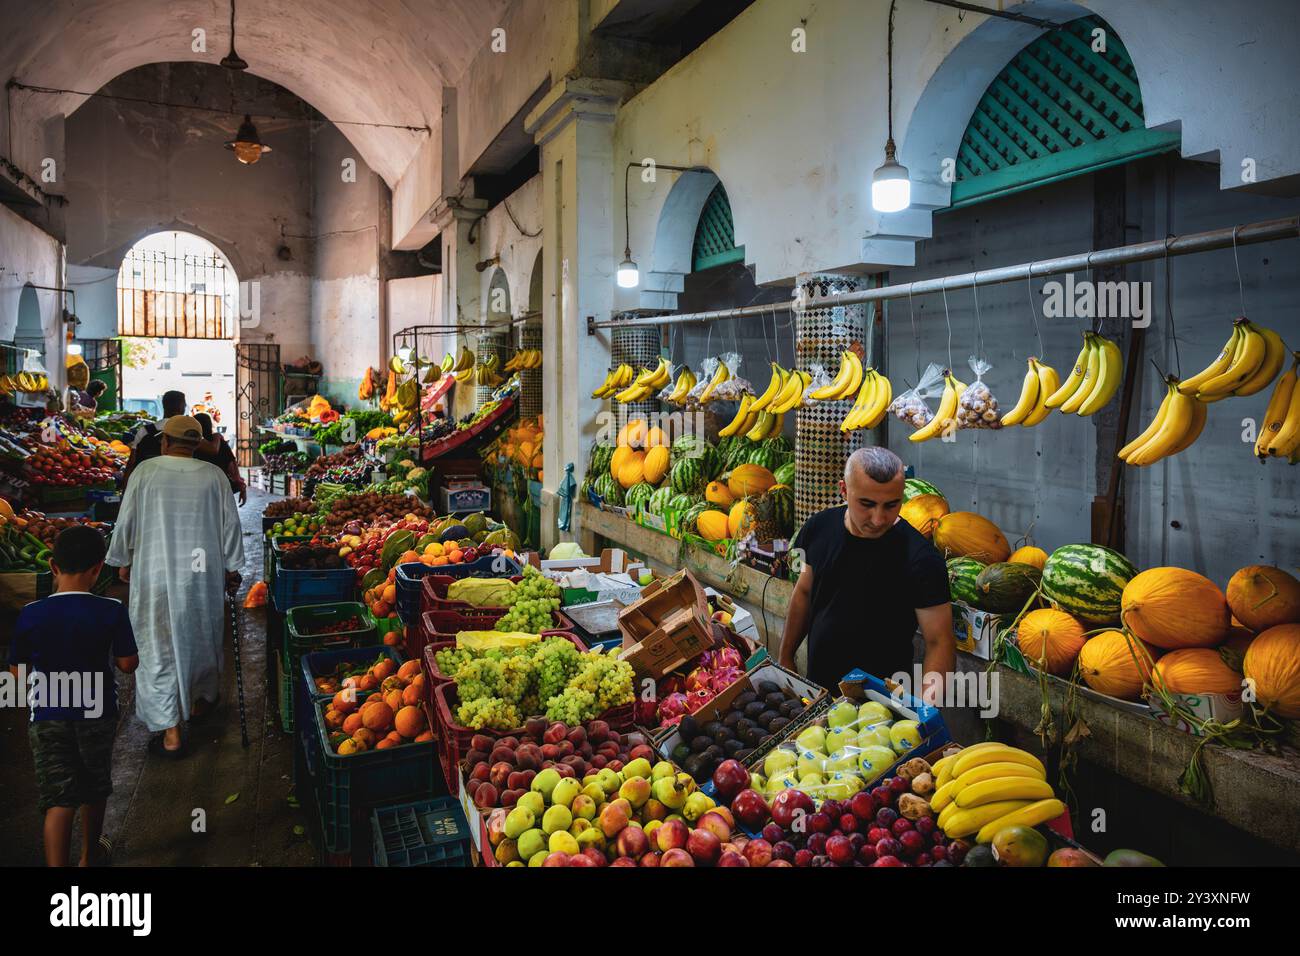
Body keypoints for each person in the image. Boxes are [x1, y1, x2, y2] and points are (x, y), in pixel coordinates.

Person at [105, 415, 244, 756]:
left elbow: (126, 523)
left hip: (153, 576)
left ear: (165, 442)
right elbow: (231, 529)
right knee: (200, 637)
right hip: (200, 578)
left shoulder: (145, 473)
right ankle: (198, 704)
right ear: (197, 446)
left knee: (158, 649)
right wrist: (231, 568)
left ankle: (171, 735)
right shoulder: (214, 476)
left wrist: (122, 560)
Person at [779, 447, 954, 702]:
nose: (879, 518)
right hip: (819, 693)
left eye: (891, 505)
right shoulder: (818, 529)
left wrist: (926, 711)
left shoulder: (922, 559)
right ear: (844, 490)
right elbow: (804, 592)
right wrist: (785, 656)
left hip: (883, 708)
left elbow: (940, 642)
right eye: (867, 504)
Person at [8, 526, 139, 866]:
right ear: (98, 569)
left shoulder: (31, 613)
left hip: (48, 717)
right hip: (96, 713)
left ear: (53, 566)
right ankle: (89, 856)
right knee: (94, 788)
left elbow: (17, 674)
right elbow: (127, 664)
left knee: (58, 797)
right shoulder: (111, 609)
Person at [122, 389, 187, 486]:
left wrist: (125, 490)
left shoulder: (145, 431)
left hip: (147, 486)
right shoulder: (188, 433)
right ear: (182, 407)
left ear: (164, 406)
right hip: (179, 485)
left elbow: (132, 463)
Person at [194, 412, 248, 506]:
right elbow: (231, 466)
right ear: (210, 425)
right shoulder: (218, 441)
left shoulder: (193, 444)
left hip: (199, 488)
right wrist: (241, 486)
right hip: (221, 486)